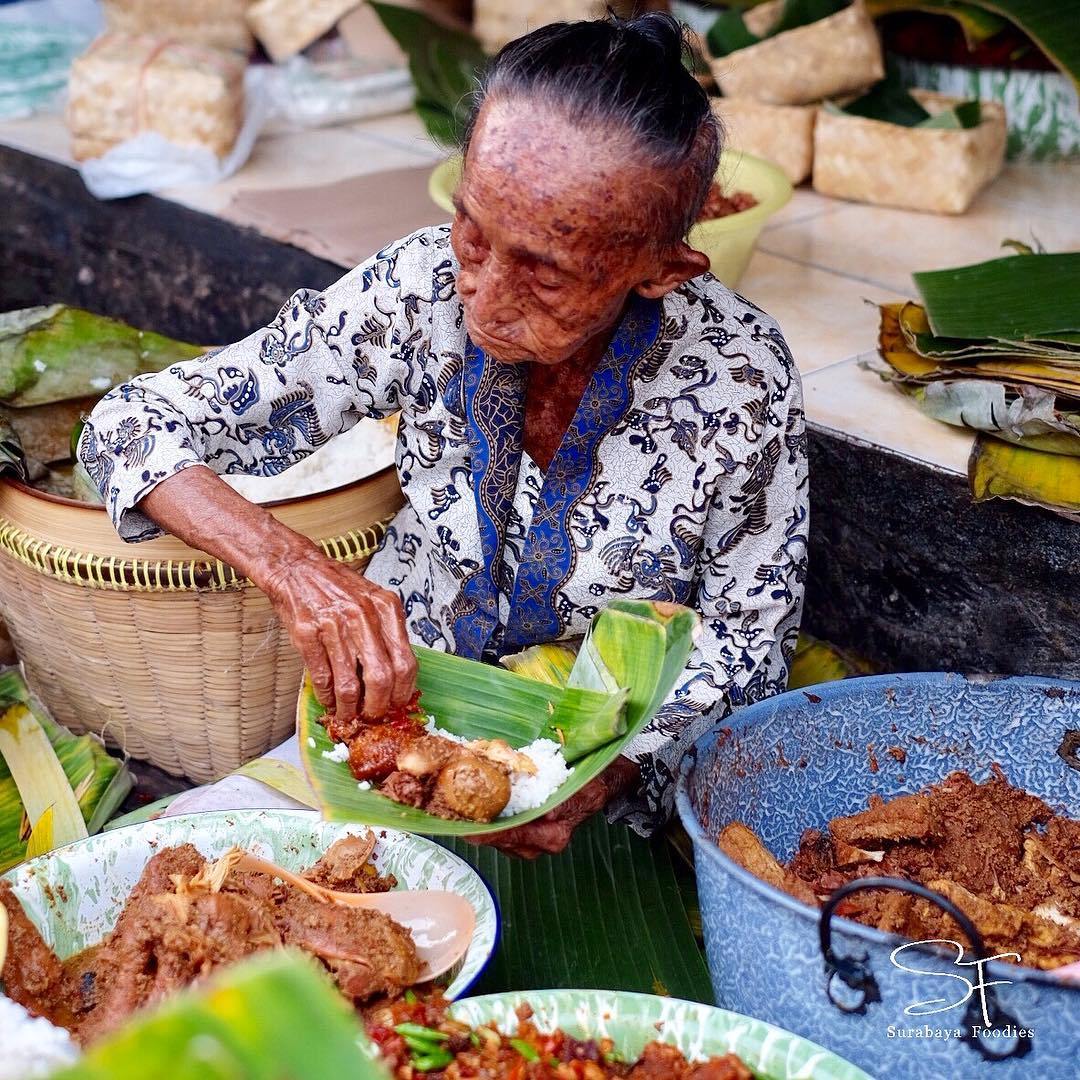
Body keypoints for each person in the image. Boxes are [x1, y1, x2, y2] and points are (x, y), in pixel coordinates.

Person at [79, 13, 808, 855]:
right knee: (169, 873)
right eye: (472, 232)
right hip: (386, 754)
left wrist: (595, 777)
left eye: (544, 271)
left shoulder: (739, 376)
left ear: (660, 271)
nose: (485, 299)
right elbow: (130, 426)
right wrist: (294, 570)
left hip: (606, 806)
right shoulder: (417, 291)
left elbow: (751, 639)